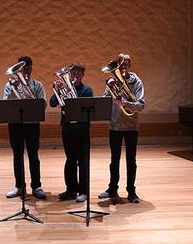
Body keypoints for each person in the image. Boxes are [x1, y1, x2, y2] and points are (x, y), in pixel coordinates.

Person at [98, 53, 145, 203]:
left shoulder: (137, 82)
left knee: (131, 161)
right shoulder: (112, 82)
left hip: (131, 127)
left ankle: (131, 191)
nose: (122, 67)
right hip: (115, 126)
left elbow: (141, 105)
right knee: (114, 160)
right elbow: (105, 100)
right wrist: (110, 88)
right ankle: (112, 189)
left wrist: (125, 103)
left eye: (125, 64)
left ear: (129, 66)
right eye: (120, 64)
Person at [3, 56, 46, 199]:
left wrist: (31, 97)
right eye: (22, 67)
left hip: (32, 124)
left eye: (28, 67)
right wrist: (13, 91)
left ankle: (37, 186)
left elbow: (43, 105)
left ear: (31, 68)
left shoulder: (37, 85)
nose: (26, 70)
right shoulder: (9, 85)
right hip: (15, 124)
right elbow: (5, 105)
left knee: (34, 155)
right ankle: (19, 186)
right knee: (17, 156)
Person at [50, 63, 93, 203]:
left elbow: (84, 108)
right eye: (73, 74)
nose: (75, 77)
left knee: (83, 161)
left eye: (78, 74)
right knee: (70, 160)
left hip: (81, 130)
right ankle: (71, 190)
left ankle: (83, 191)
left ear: (82, 75)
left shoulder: (87, 90)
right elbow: (52, 102)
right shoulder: (65, 88)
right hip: (67, 129)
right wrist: (59, 90)